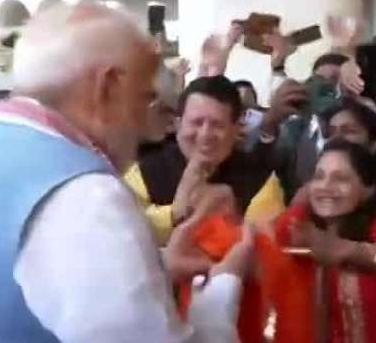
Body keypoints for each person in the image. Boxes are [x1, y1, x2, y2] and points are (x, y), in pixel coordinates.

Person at [0, 2, 256, 343]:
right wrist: (223, 286)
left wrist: (160, 265)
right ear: (107, 85)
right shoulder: (85, 195)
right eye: (145, 97)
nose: (150, 122)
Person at [272, 140, 376, 343]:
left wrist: (345, 249)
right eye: (319, 176)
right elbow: (253, 239)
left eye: (340, 178)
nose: (325, 186)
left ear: (367, 189)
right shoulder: (300, 220)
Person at [125, 74, 300, 243]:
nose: (205, 134)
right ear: (177, 124)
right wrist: (176, 212)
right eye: (197, 122)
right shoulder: (144, 171)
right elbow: (126, 234)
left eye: (217, 125)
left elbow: (267, 244)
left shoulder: (261, 179)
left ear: (236, 129)